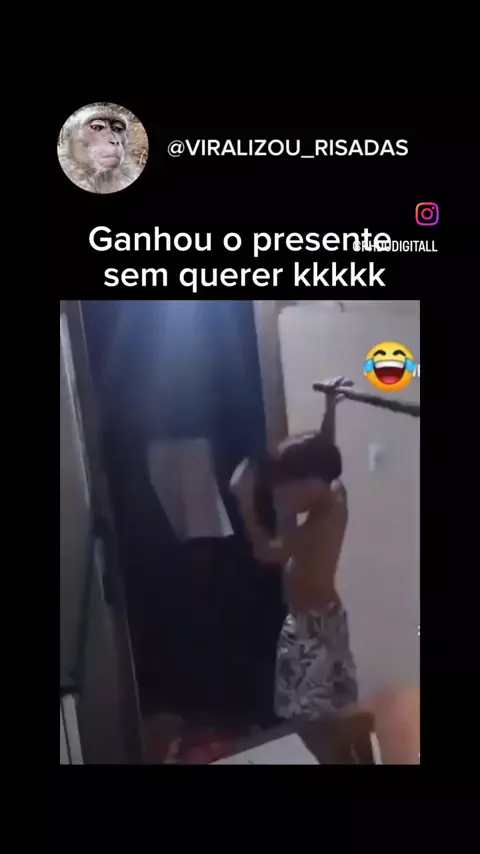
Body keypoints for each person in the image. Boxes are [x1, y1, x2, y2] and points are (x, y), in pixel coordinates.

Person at [230, 377, 358, 723]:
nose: (283, 493)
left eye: (289, 485)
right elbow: (324, 454)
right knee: (332, 709)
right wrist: (329, 409)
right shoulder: (333, 489)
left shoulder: (323, 518)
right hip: (317, 618)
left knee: (312, 720)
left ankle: (344, 744)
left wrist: (245, 503)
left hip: (313, 627)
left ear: (311, 480)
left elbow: (269, 552)